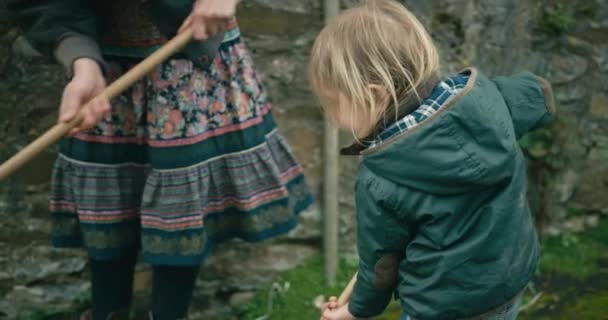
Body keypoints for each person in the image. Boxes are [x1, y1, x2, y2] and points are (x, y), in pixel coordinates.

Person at [7, 0, 313, 319]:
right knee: (107, 205)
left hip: (190, 57)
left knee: (181, 208)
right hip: (101, 65)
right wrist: (80, 59)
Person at [309, 1, 555, 319]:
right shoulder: (486, 99)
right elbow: (539, 96)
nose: (331, 119)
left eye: (332, 103)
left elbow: (381, 266)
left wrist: (354, 312)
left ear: (374, 95)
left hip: (442, 308)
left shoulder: (381, 178)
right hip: (507, 285)